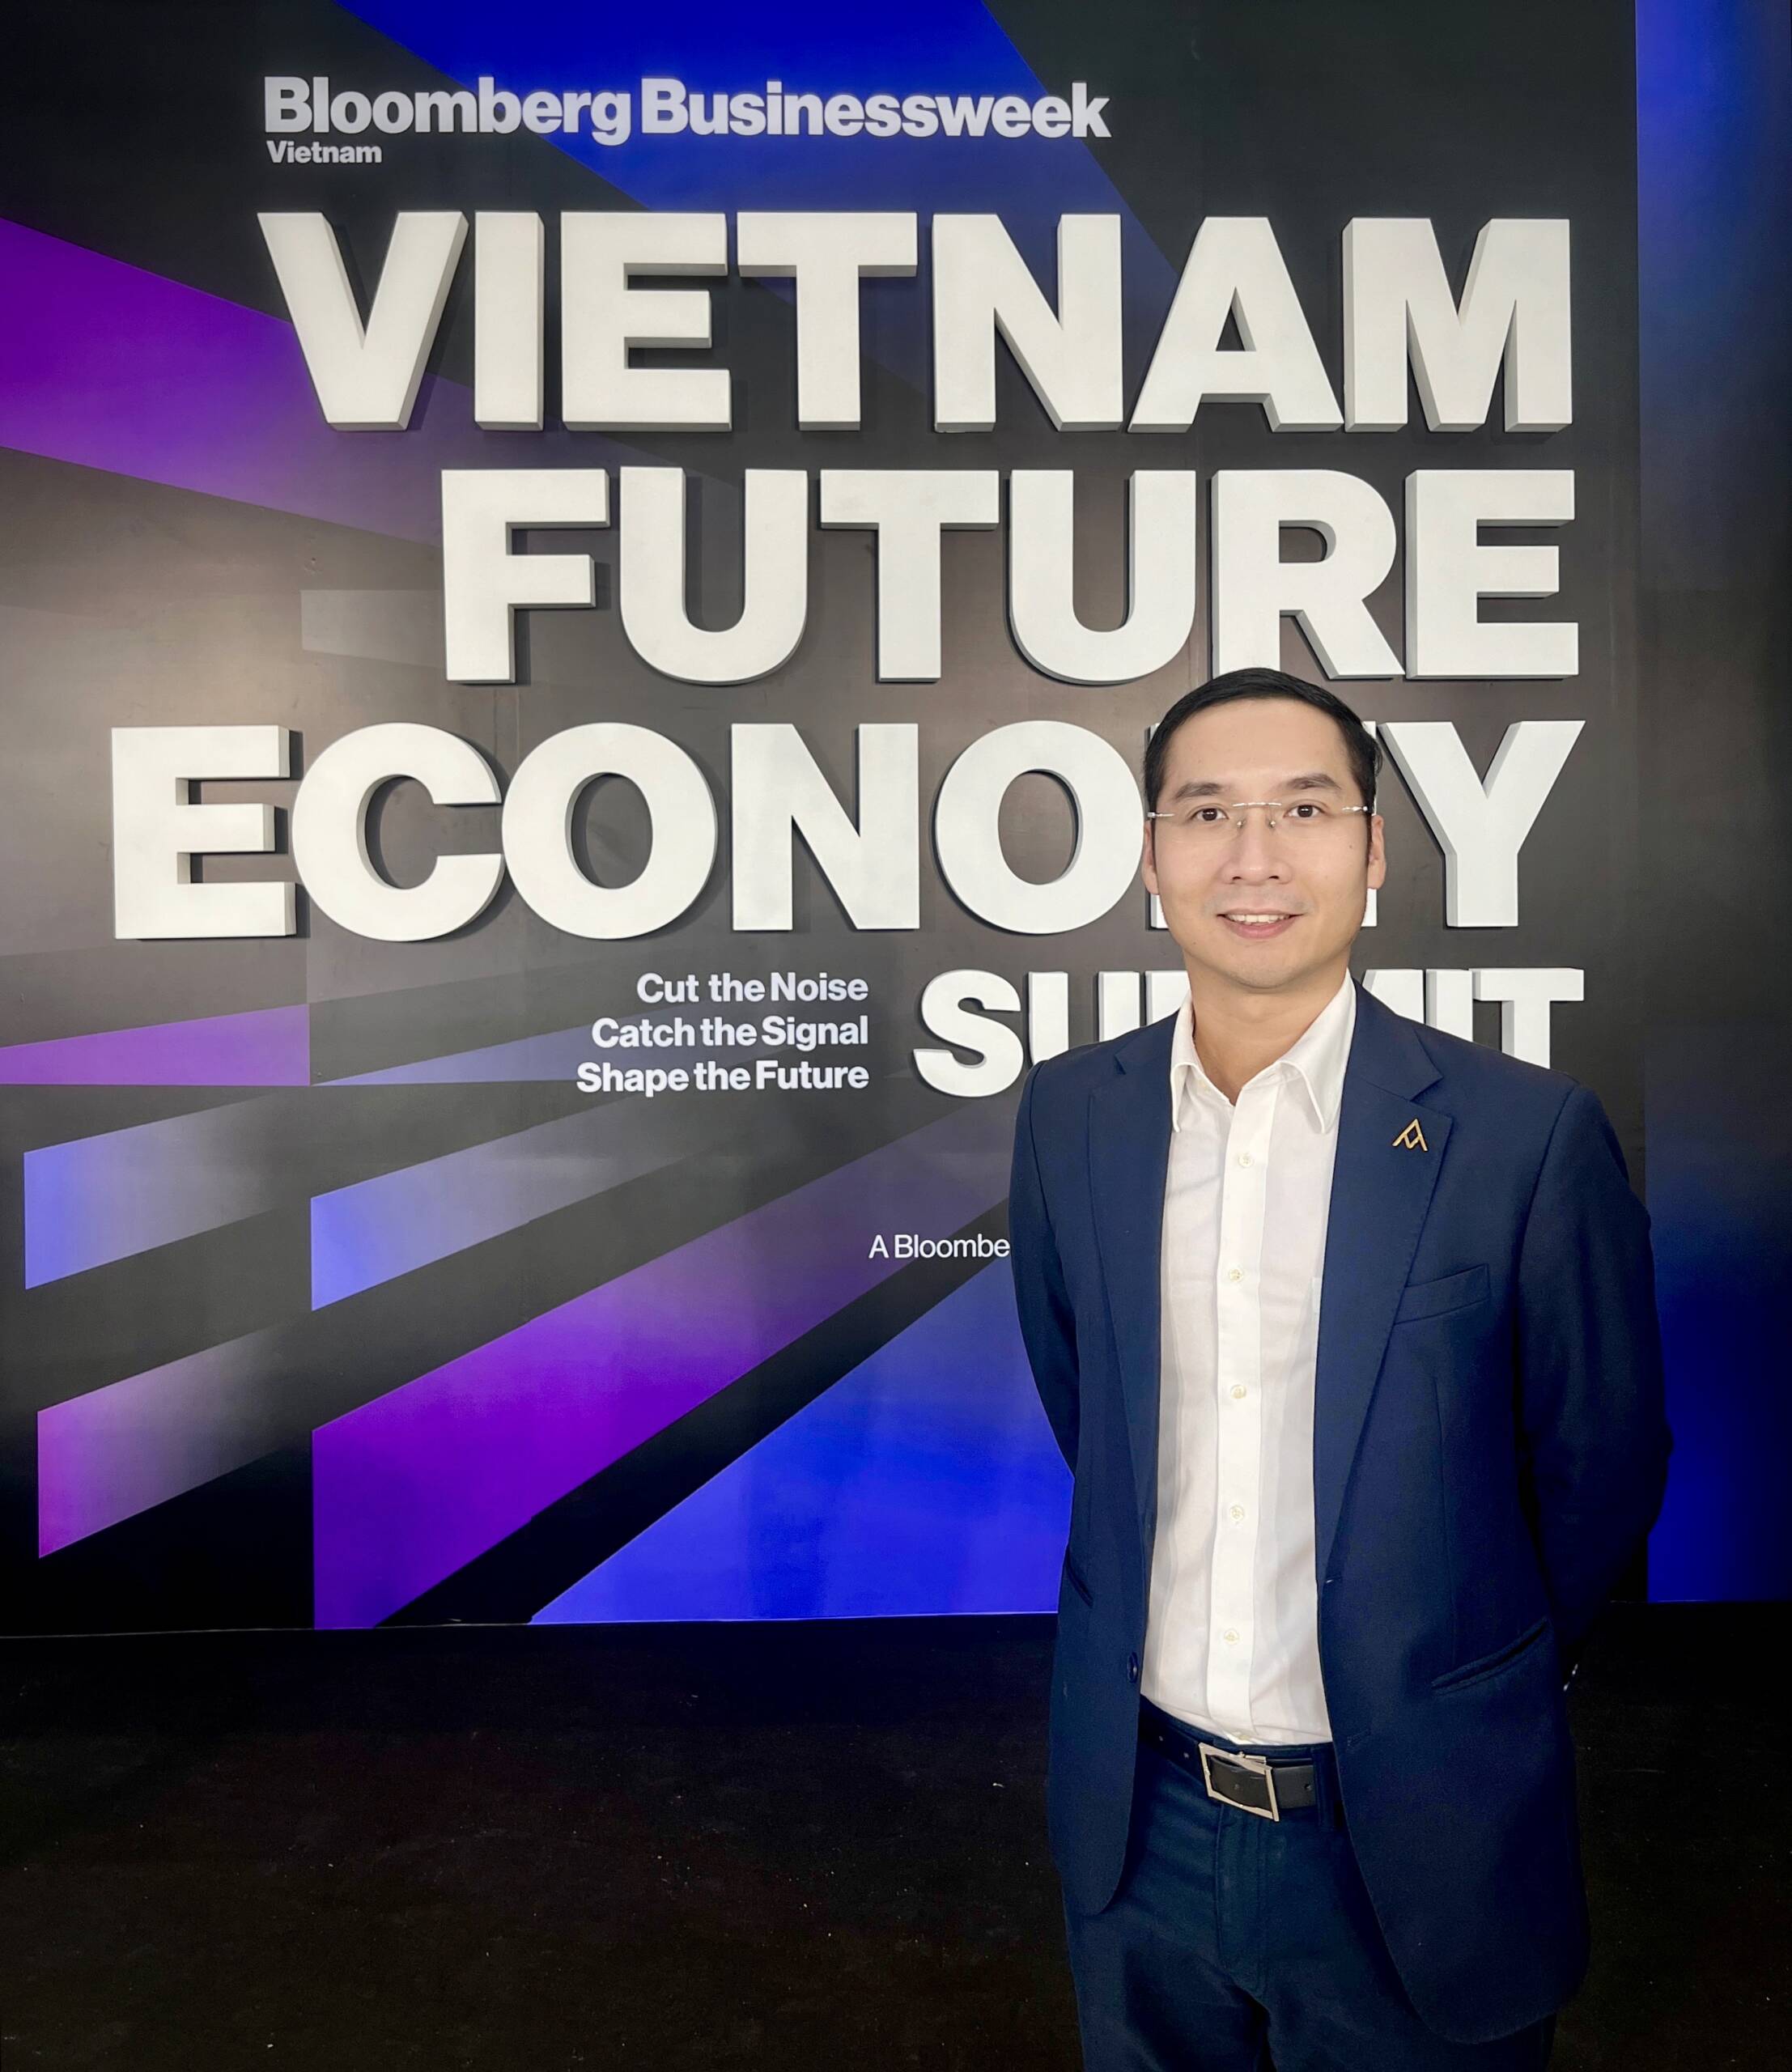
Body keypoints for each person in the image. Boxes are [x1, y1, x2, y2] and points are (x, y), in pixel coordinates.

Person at [1007, 667, 1670, 2071]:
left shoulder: (1522, 1137)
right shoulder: (1072, 1116)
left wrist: (1462, 1676)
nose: (1253, 858)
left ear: (1371, 850)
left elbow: (1600, 1464)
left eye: (1302, 810)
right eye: (1207, 813)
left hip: (1415, 1832)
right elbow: (1091, 1412)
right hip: (1138, 1827)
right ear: (1150, 855)